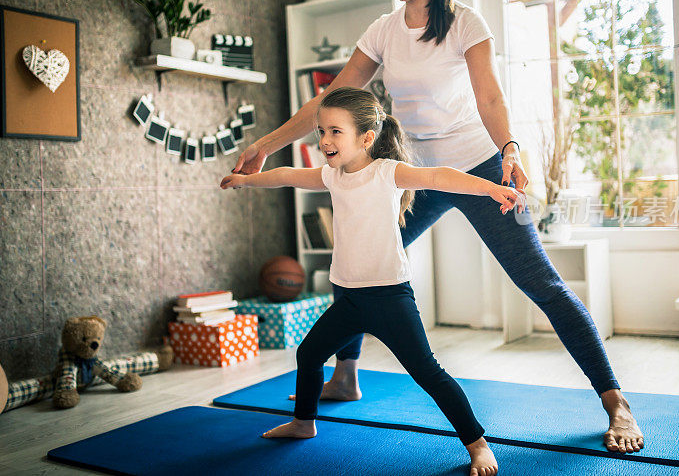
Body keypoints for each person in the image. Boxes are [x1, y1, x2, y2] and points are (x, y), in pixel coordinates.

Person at [231, 0, 643, 455]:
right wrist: (264, 146)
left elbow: (489, 95)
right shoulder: (384, 30)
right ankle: (346, 375)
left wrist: (509, 148)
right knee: (356, 259)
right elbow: (330, 98)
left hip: (480, 166)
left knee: (540, 281)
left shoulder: (465, 23)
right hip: (412, 174)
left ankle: (614, 401)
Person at [222, 87, 523, 475]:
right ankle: (303, 423)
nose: (325, 140)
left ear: (366, 138)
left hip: (389, 298)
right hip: (348, 299)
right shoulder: (332, 177)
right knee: (309, 355)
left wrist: (491, 187)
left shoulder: (385, 173)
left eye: (335, 131)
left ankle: (478, 444)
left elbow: (438, 175)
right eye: (321, 131)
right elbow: (286, 175)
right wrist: (245, 180)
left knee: (427, 372)